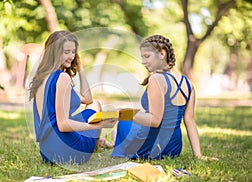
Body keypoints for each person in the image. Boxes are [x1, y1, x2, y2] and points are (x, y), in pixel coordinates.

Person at [111, 34, 217, 161]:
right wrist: (198, 155)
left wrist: (121, 113)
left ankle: (119, 145)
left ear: (162, 54)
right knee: (129, 120)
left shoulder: (156, 79)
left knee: (124, 121)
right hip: (173, 148)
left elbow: (155, 121)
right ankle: (116, 141)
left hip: (152, 146)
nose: (143, 61)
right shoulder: (188, 84)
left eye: (147, 56)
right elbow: (189, 121)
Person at [28, 30, 116, 165]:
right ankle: (96, 143)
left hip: (47, 152)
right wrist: (98, 125)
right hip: (67, 151)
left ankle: (97, 142)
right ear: (55, 53)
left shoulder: (42, 77)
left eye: (73, 52)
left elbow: (87, 100)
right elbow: (63, 125)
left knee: (95, 104)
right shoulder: (62, 78)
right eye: (66, 52)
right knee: (96, 107)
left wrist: (80, 68)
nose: (71, 56)